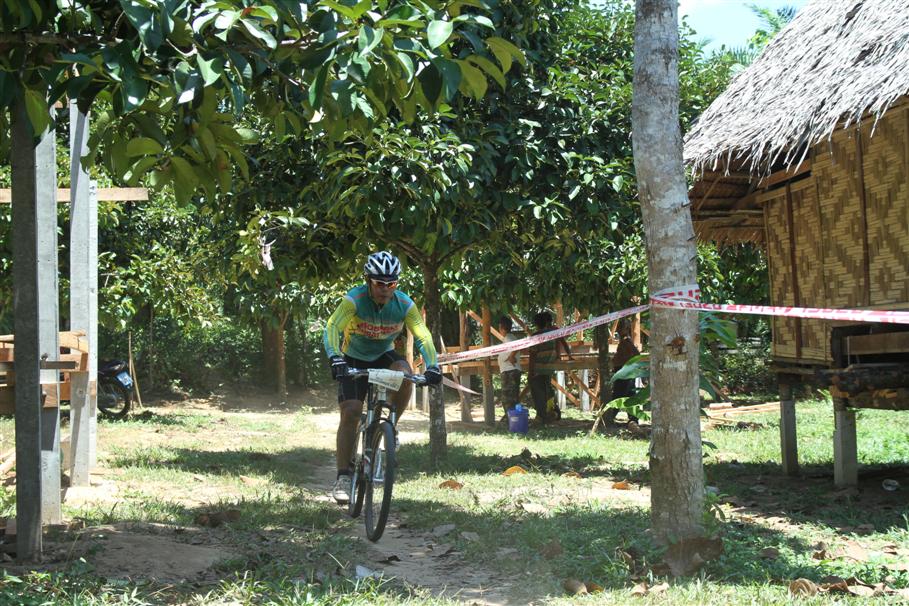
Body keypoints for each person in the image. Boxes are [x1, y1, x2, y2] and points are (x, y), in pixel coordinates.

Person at [323, 251, 442, 503]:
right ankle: (343, 476)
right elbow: (333, 326)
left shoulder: (404, 304)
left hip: (383, 355)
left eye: (391, 284)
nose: (385, 289)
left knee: (405, 373)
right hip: (353, 358)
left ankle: (391, 426)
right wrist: (334, 357)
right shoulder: (354, 300)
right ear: (368, 281)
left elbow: (422, 335)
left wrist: (433, 366)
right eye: (379, 283)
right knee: (351, 412)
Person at [527, 310, 573, 425]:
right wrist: (568, 355)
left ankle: (541, 417)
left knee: (538, 393)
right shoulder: (552, 333)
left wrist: (530, 372)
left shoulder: (536, 336)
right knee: (547, 391)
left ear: (536, 324)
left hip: (538, 369)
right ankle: (552, 413)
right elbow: (563, 343)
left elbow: (532, 356)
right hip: (548, 367)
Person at [603, 317, 641, 425]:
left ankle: (609, 418)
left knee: (618, 395)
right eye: (619, 328)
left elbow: (636, 355)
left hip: (624, 372)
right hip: (627, 371)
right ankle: (633, 419)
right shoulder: (625, 342)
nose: (619, 330)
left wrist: (620, 362)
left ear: (626, 329)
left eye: (621, 328)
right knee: (630, 396)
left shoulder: (626, 342)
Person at [496, 316, 522, 417]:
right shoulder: (508, 338)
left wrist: (511, 356)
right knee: (510, 397)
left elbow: (517, 346)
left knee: (509, 398)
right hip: (508, 370)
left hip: (510, 371)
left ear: (501, 327)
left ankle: (512, 418)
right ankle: (512, 418)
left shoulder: (509, 338)